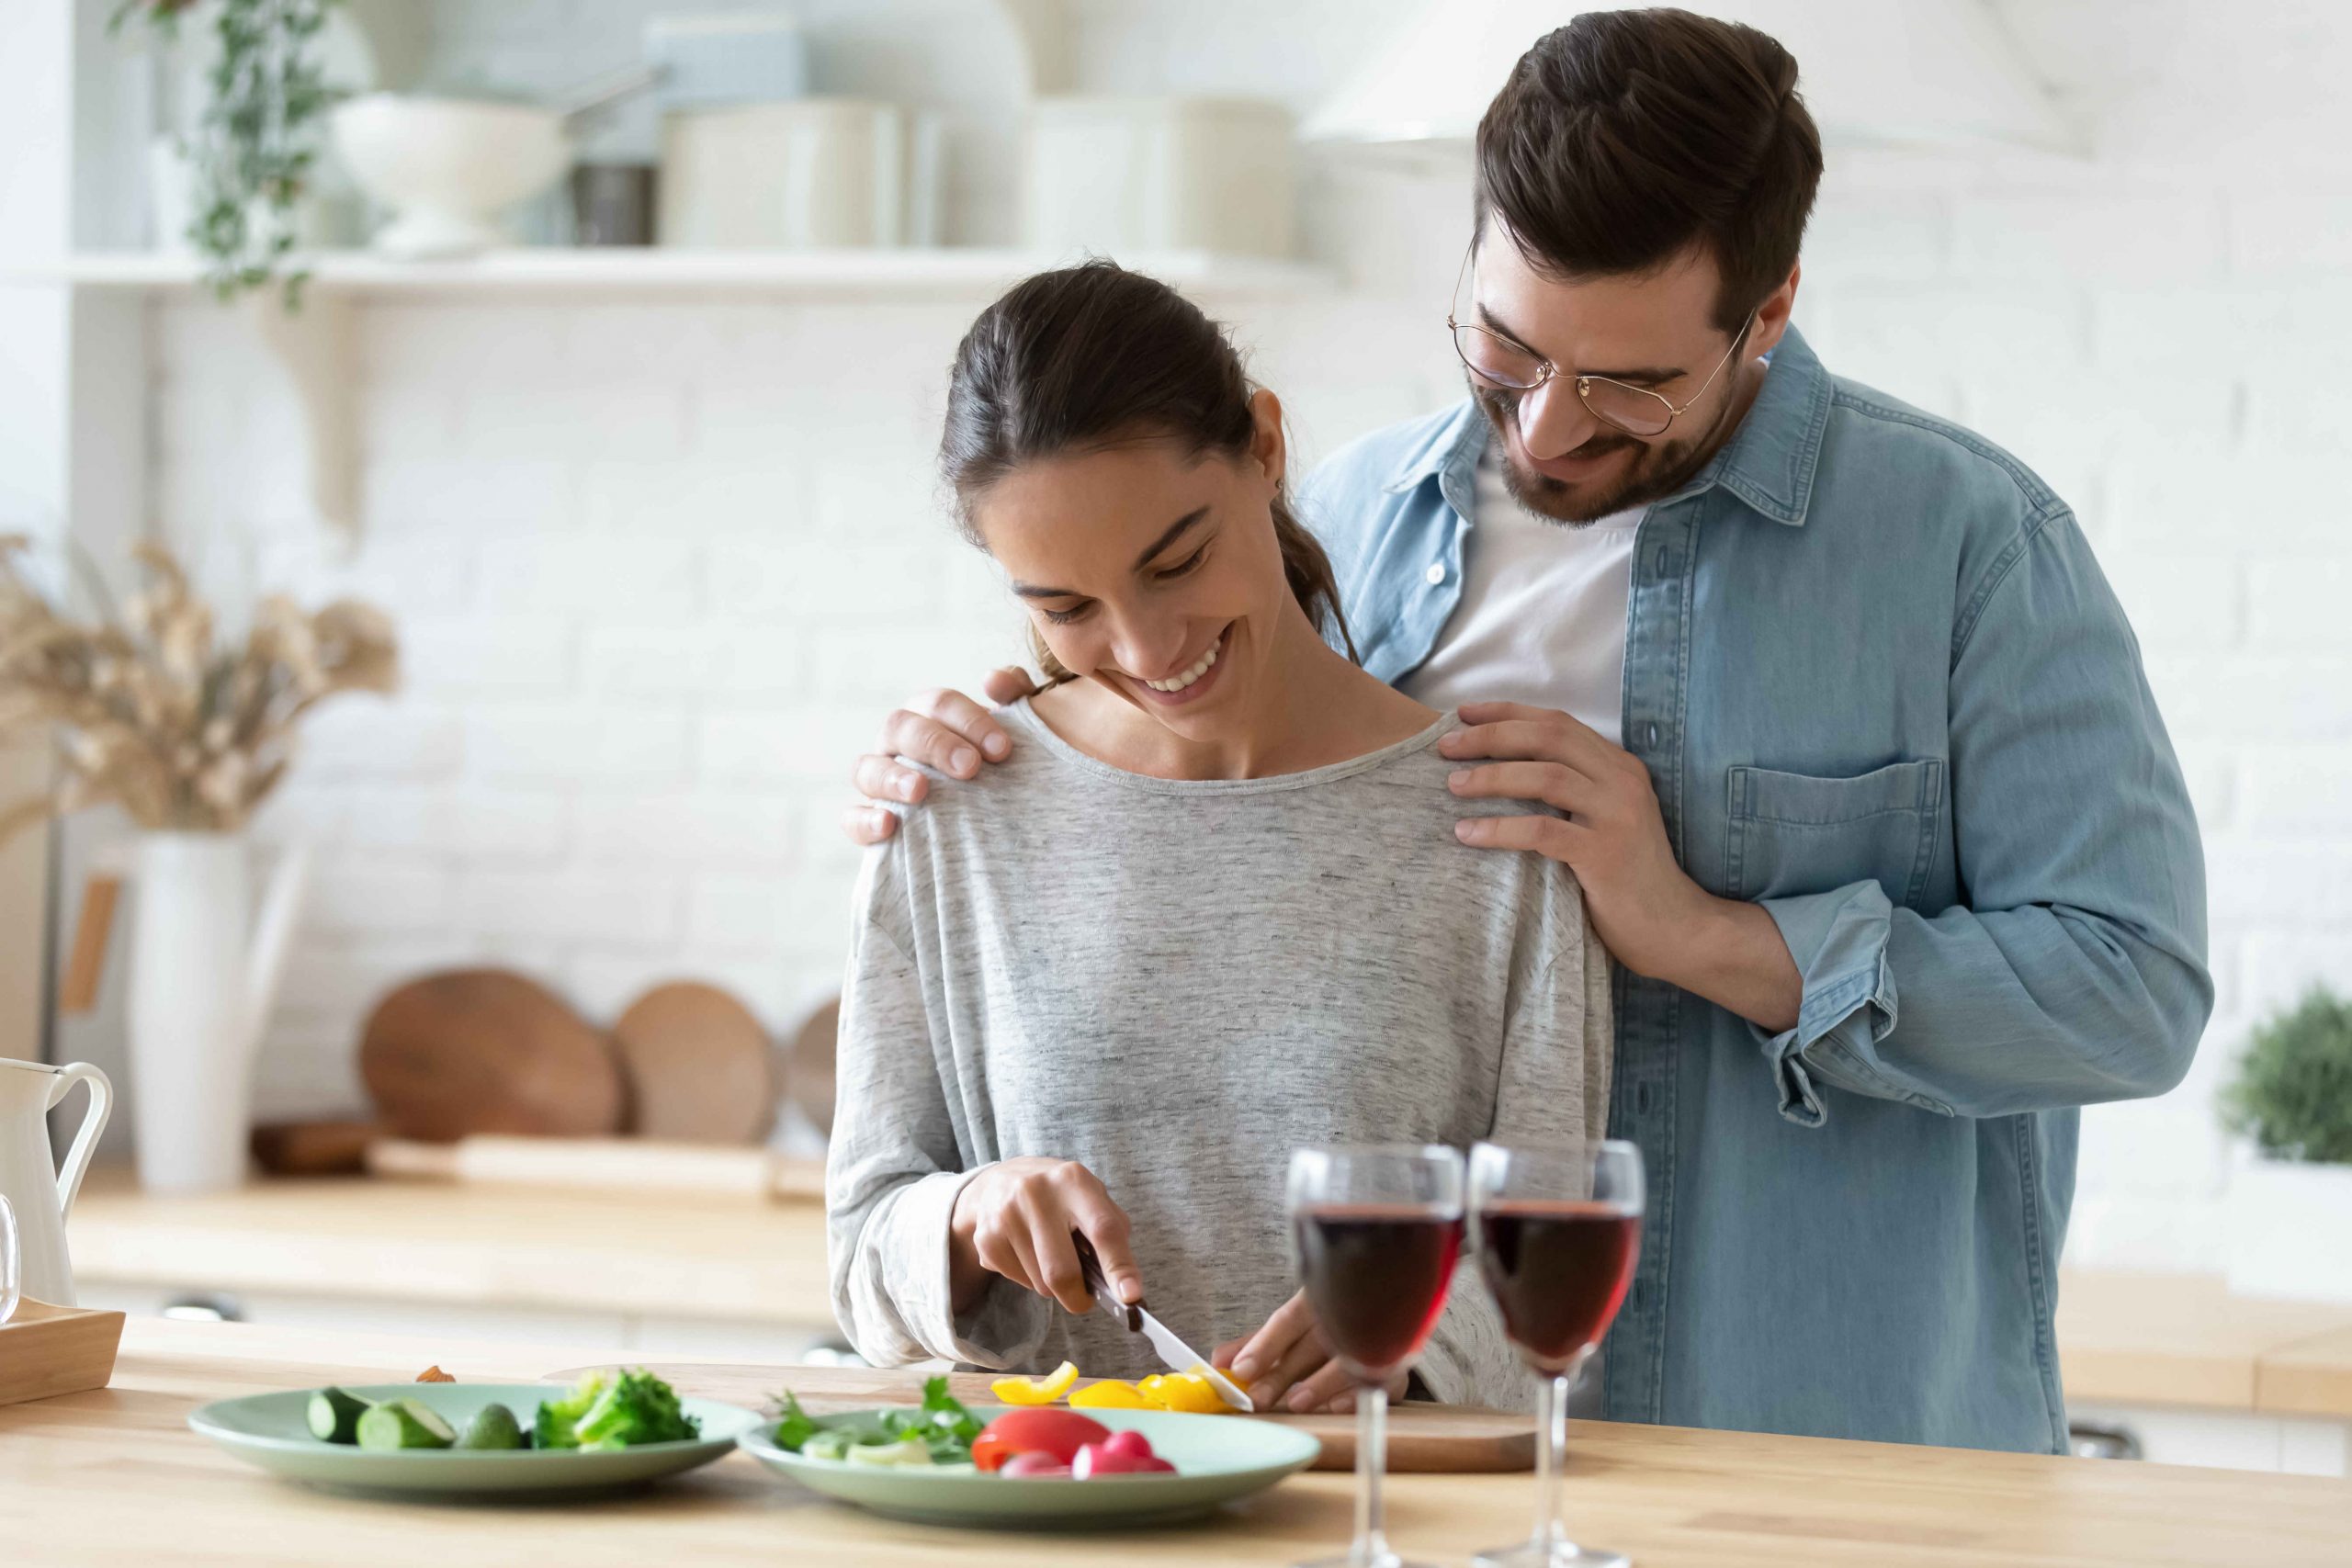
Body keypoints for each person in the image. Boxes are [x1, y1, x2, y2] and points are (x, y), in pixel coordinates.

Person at [842, 10, 2211, 1454]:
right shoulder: (1351, 521)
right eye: (1506, 344)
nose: (1550, 428)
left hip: (1825, 1431)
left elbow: (2136, 987)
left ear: (1770, 308)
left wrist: (1705, 931)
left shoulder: (1965, 548)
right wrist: (1014, 733)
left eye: (1630, 382)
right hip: (1455, 1463)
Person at [825, 262, 1613, 1415]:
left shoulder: (1494, 819)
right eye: (1064, 607)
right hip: (1058, 1522)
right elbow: (859, 1255)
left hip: (1382, 1523)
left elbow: (1551, 1255)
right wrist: (962, 1214)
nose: (1146, 651)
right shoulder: (954, 812)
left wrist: (1419, 1344)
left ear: (1264, 448)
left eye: (1177, 560)